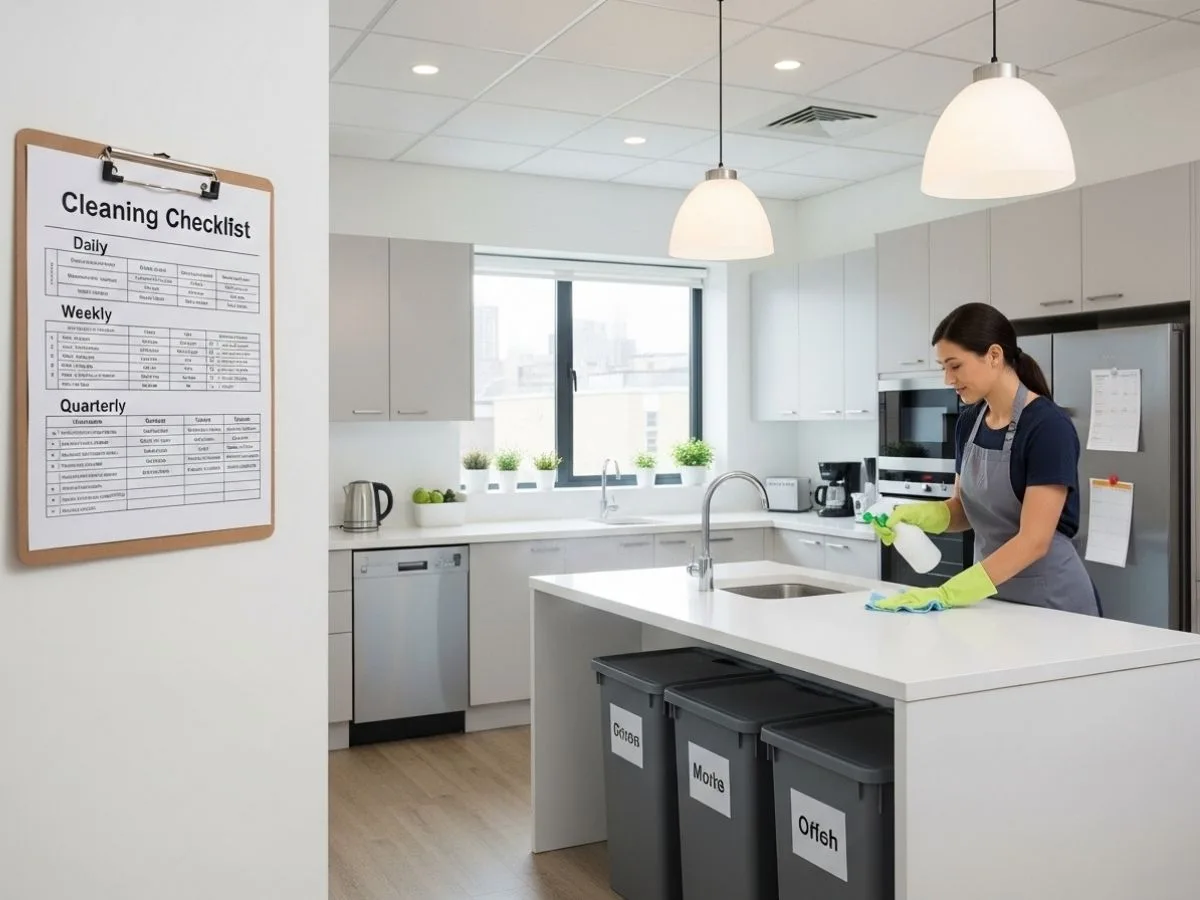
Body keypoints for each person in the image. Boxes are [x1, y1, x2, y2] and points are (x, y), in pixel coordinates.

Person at [868, 302, 1101, 616]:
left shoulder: (1048, 427)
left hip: (1052, 603)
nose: (947, 379)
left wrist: (950, 592)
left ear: (994, 355)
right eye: (943, 368)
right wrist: (911, 515)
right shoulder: (969, 422)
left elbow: (1034, 540)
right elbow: (962, 510)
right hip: (992, 597)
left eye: (955, 366)